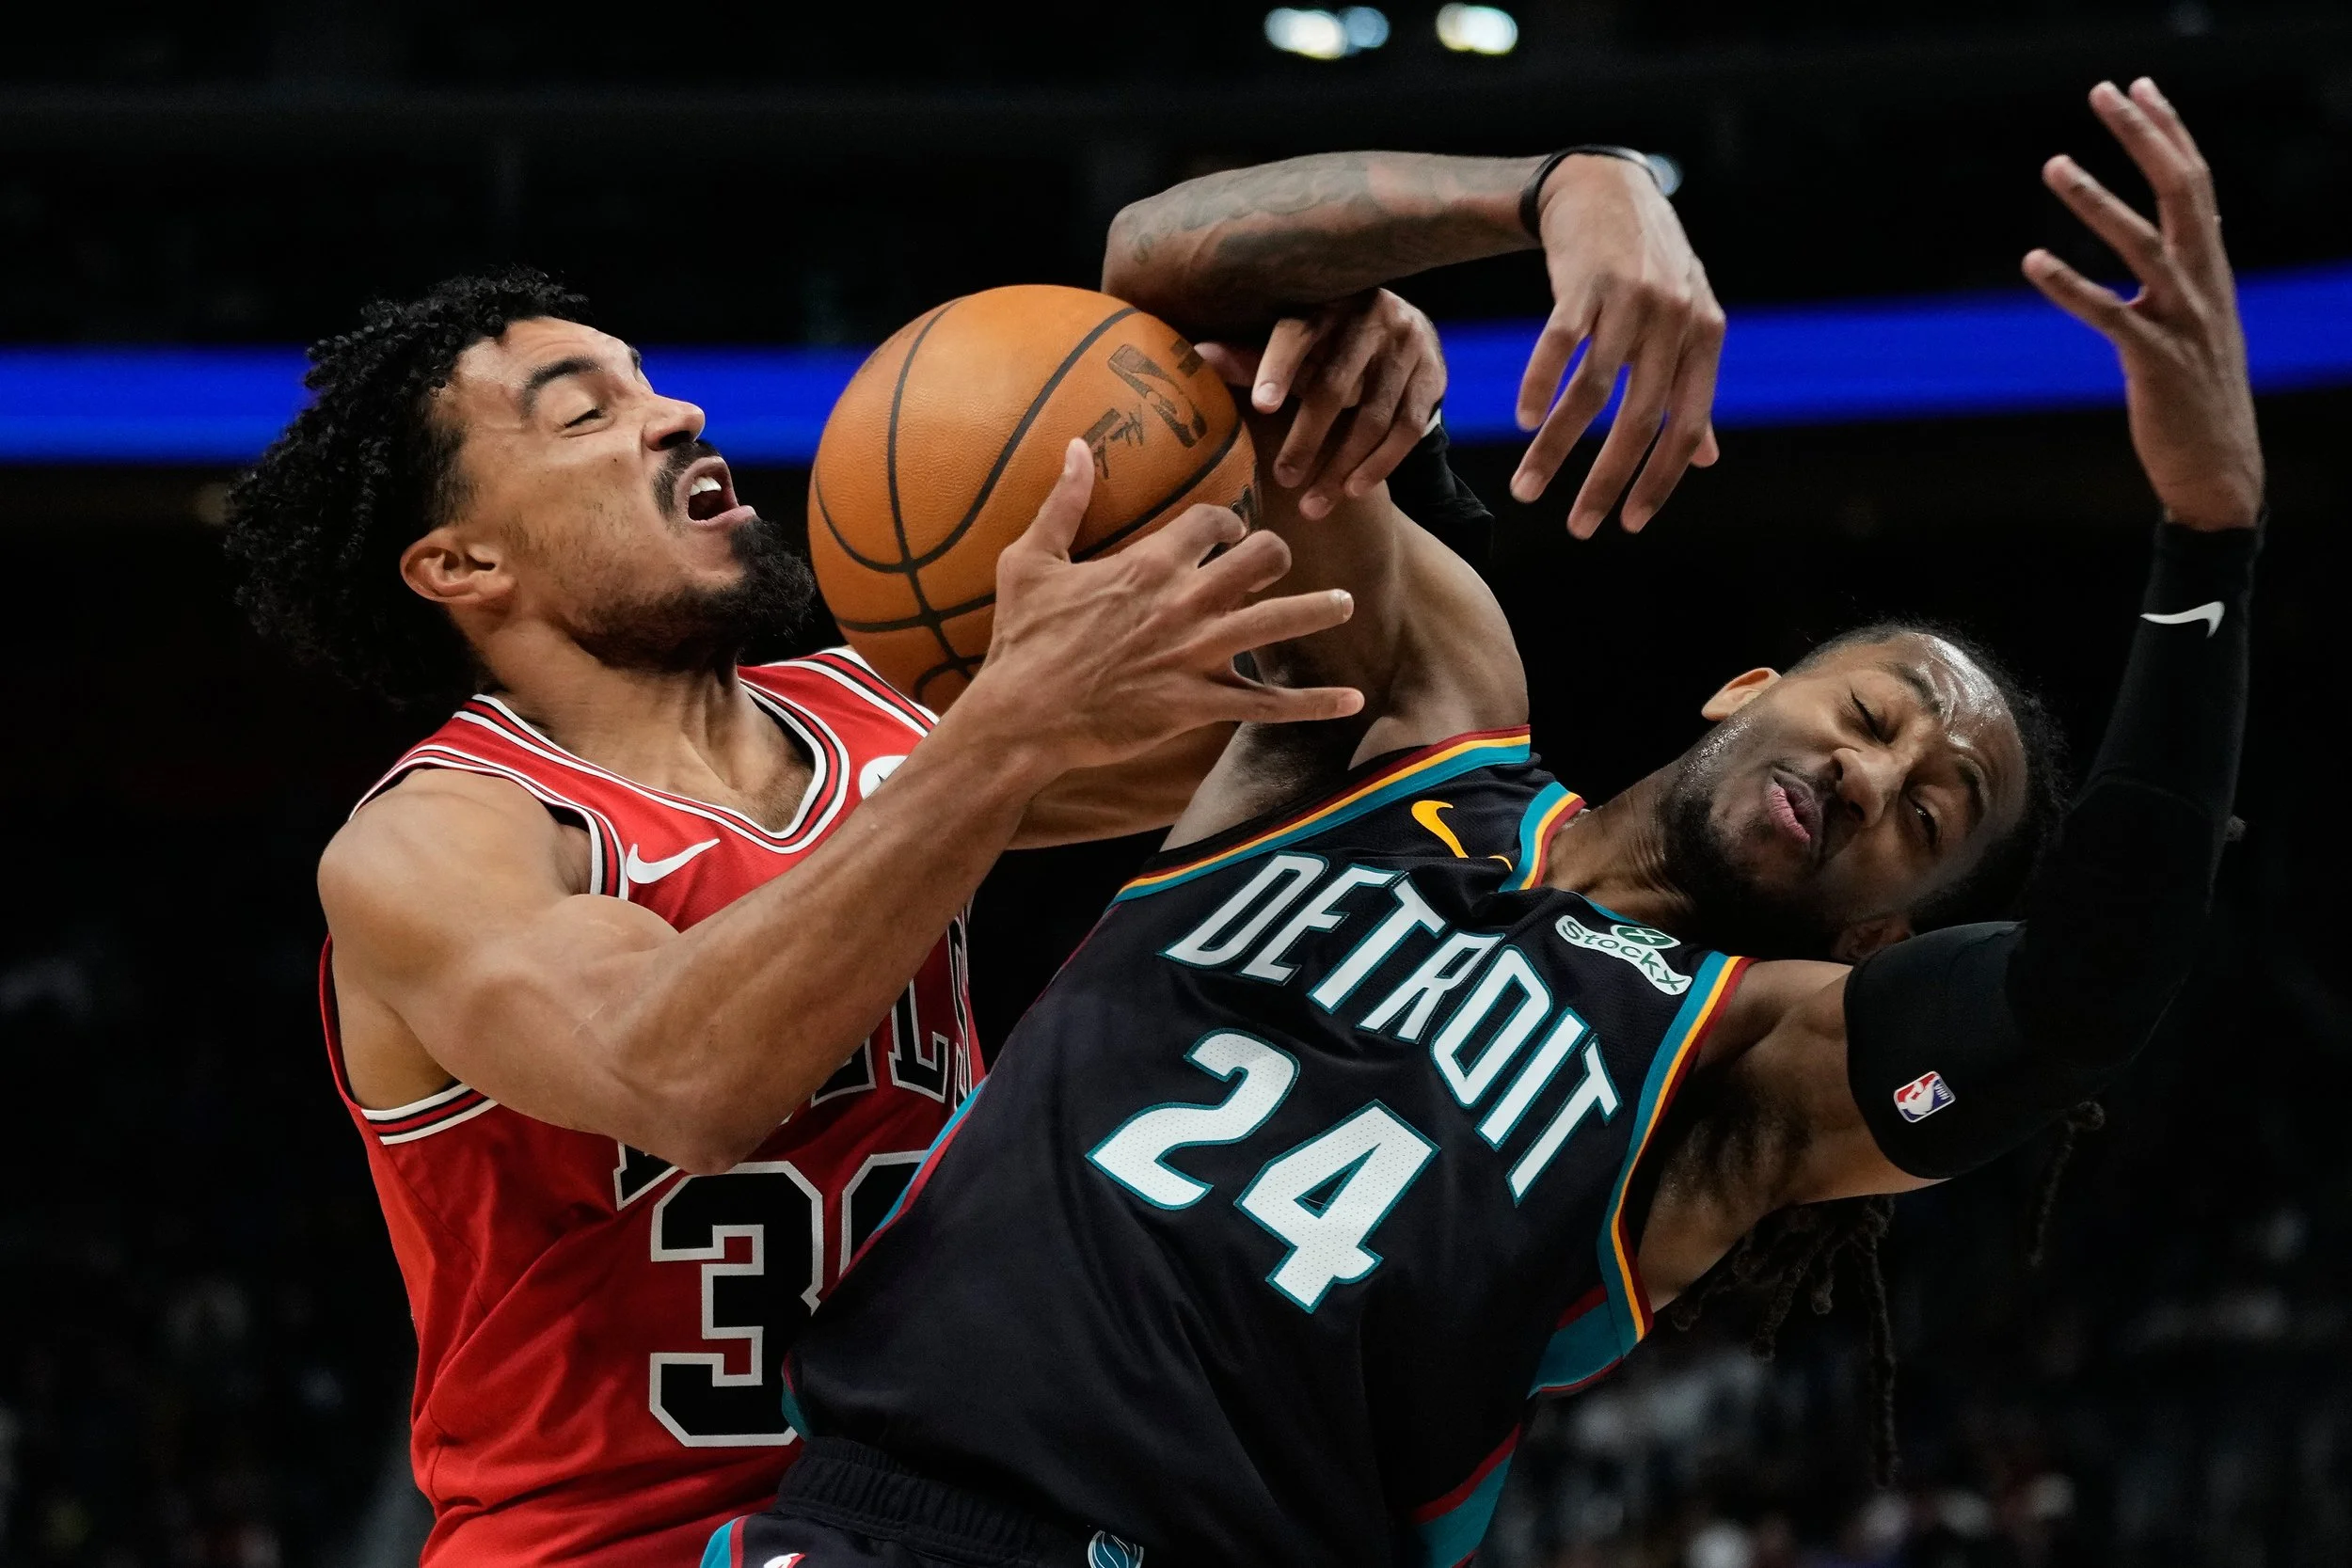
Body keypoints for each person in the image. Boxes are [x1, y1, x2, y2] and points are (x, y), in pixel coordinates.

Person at [720, 79, 2259, 1568]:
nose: (1875, 771)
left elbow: (2078, 998)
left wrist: (2207, 538)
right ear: (1746, 690)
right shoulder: (1420, 722)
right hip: (852, 1503)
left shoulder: (1745, 1068)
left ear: (1881, 929)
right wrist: (1559, 188)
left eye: (1928, 813)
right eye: (1870, 713)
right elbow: (1165, 268)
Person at [217, 152, 1722, 1562]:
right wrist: (1003, 730)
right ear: (461, 563)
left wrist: (1354, 395)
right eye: (581, 413)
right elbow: (682, 1075)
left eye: (649, 379)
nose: (673, 414)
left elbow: (1358, 693)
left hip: (936, 1511)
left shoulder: (883, 713)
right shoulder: (441, 834)